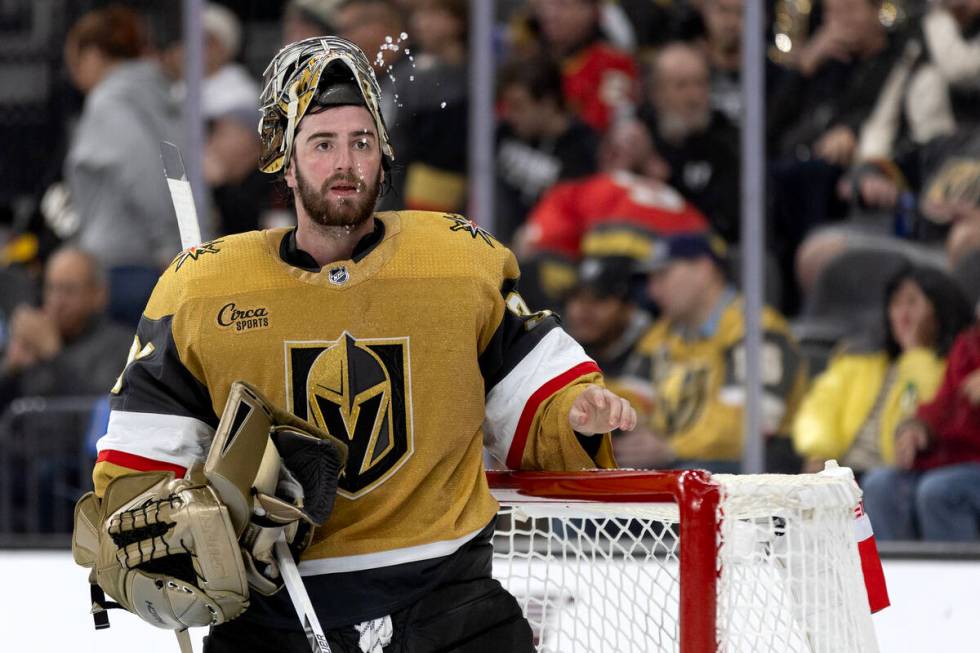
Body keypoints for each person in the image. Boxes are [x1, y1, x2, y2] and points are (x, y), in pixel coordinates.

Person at [79, 36, 635, 652]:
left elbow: (532, 388)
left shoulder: (455, 260)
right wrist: (187, 520)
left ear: (383, 154)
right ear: (285, 164)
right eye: (322, 144)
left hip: (450, 606)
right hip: (277, 617)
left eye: (361, 142)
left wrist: (577, 412)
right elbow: (139, 463)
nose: (345, 163)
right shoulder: (202, 289)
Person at [614, 232, 807, 473]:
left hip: (751, 470)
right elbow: (629, 398)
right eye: (650, 280)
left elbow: (746, 426)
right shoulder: (661, 333)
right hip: (678, 462)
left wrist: (670, 448)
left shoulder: (757, 329)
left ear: (704, 269)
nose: (653, 291)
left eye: (663, 275)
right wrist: (632, 431)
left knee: (690, 474)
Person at [63, 5, 182, 328]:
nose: (73, 73)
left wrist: (170, 251)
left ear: (92, 54)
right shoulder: (158, 96)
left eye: (73, 60)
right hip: (155, 261)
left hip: (124, 269)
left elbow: (145, 176)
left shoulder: (110, 104)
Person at [792, 265, 973, 476]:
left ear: (940, 310)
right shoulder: (859, 360)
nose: (902, 314)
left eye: (913, 303)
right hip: (842, 473)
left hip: (892, 476)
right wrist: (820, 453)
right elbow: (819, 409)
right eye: (896, 303)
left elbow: (927, 412)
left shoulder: (951, 367)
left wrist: (916, 353)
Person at [862, 298, 980, 542]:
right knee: (879, 485)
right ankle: (893, 579)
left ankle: (956, 580)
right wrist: (918, 428)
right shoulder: (968, 343)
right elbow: (944, 404)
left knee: (939, 491)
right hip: (951, 459)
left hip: (967, 465)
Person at [0, 247, 131, 412]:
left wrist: (54, 355)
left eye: (69, 291)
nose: (57, 301)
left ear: (98, 295)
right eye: (51, 288)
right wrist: (11, 370)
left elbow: (100, 410)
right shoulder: (33, 342)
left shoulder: (121, 346)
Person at [638, 42, 741, 243]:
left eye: (700, 84)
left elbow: (730, 220)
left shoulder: (729, 142)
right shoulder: (640, 137)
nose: (693, 97)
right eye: (681, 86)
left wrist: (668, 184)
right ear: (656, 93)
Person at [495, 56, 600, 244]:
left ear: (548, 103)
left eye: (518, 106)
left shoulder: (584, 150)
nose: (510, 115)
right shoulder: (503, 135)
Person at [564, 256, 651, 379]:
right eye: (577, 297)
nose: (584, 310)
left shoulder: (653, 351)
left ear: (628, 308)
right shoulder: (561, 347)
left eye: (599, 298)